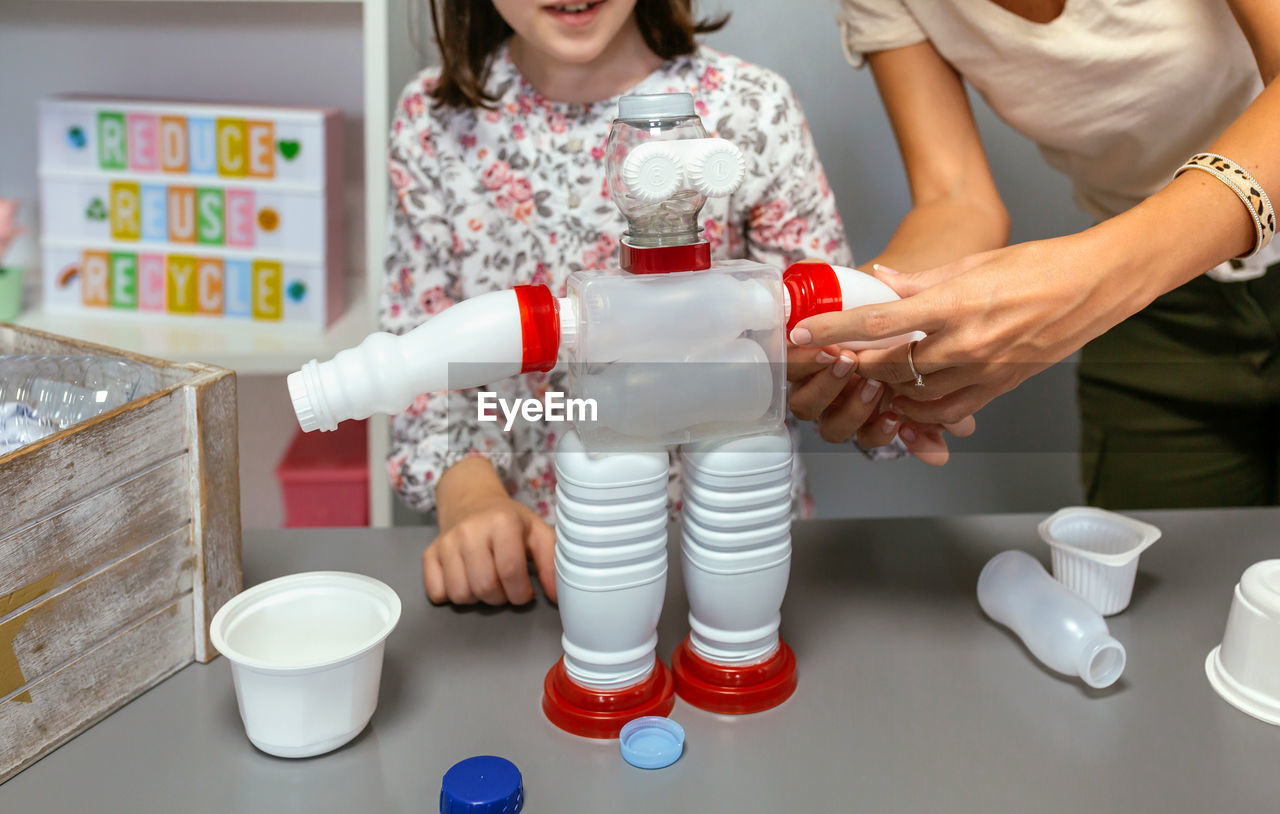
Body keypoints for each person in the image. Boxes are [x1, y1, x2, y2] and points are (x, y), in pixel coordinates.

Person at [383, 0, 970, 607]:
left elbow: (832, 330)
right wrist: (471, 499)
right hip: (543, 556)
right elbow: (423, 361)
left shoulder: (749, 108)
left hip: (740, 544)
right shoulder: (435, 121)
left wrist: (892, 380)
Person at [790, 0, 1280, 509]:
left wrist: (1097, 278)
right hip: (1157, 315)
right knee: (1155, 572)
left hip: (1128, 280)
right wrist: (870, 326)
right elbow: (956, 197)